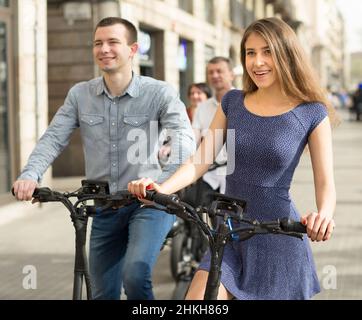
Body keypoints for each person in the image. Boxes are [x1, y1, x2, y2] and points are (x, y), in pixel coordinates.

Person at [128, 17, 336, 300]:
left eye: (267, 52)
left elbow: (325, 182)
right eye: (251, 53)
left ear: (286, 54)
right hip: (230, 231)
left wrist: (323, 214)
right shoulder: (233, 102)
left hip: (279, 236)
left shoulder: (312, 112)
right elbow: (199, 161)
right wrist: (160, 189)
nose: (258, 62)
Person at [12, 17, 195, 300]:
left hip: (149, 203)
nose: (104, 49)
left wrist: (161, 184)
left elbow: (185, 139)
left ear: (133, 50)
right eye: (98, 43)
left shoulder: (159, 92)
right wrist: (30, 174)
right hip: (104, 206)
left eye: (113, 42)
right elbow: (53, 137)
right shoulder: (80, 95)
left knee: (134, 274)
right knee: (101, 293)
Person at [189, 57, 234, 207]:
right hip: (209, 175)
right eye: (210, 72)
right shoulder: (202, 108)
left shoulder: (246, 102)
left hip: (237, 177)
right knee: (204, 223)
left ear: (231, 74)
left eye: (219, 71)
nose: (214, 75)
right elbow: (193, 140)